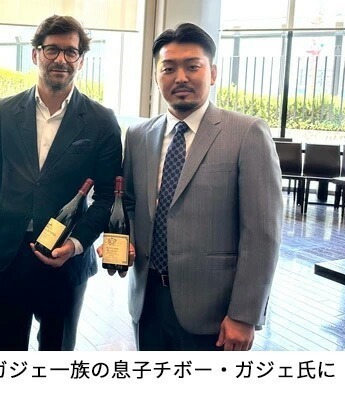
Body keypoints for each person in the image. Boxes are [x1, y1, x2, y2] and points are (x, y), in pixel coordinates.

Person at [116, 22, 282, 351]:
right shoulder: (138, 136)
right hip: (147, 300)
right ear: (157, 76)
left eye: (193, 66)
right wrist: (126, 242)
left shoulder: (246, 133)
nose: (180, 77)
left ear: (213, 73)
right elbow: (130, 203)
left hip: (214, 311)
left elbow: (262, 233)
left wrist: (244, 314)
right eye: (168, 68)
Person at [0, 15, 122, 351]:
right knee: (2, 352)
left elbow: (107, 197)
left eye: (71, 52)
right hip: (8, 253)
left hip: (66, 259)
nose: (61, 59)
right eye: (52, 50)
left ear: (81, 60)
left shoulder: (102, 121)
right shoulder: (4, 111)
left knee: (57, 353)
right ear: (35, 54)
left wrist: (75, 244)